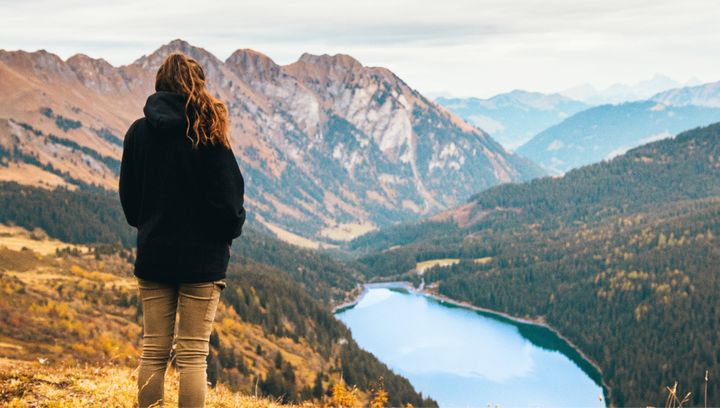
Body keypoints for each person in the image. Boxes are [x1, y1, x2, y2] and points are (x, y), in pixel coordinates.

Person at [119, 52, 246, 407]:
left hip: (154, 254)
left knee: (153, 351)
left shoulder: (138, 133)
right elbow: (229, 203)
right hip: (202, 262)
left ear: (160, 85)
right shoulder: (208, 131)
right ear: (197, 85)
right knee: (192, 356)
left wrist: (149, 225)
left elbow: (130, 201)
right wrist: (229, 231)